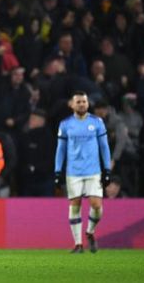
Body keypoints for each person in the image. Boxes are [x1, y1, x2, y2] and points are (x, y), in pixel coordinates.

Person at [55, 91, 111, 254]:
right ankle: (78, 244)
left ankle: (90, 232)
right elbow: (61, 149)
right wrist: (58, 171)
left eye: (84, 102)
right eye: (78, 102)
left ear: (88, 104)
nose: (81, 104)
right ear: (72, 105)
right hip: (73, 172)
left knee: (96, 205)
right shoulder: (65, 124)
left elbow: (104, 146)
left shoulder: (97, 122)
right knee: (75, 205)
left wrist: (107, 169)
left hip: (93, 171)